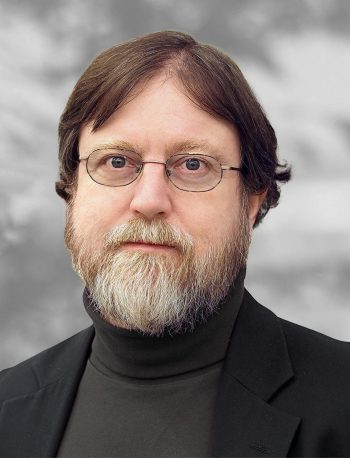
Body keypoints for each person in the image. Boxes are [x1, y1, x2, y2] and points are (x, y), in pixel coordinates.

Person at [0, 30, 349, 458]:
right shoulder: (6, 407)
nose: (149, 201)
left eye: (192, 164)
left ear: (252, 201)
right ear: (72, 190)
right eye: (116, 161)